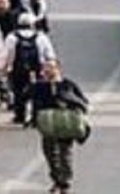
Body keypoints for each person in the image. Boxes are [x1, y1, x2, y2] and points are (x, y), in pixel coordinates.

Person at [31, 61, 90, 194]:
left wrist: (69, 102)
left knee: (65, 154)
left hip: (65, 125)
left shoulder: (68, 84)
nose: (48, 70)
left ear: (58, 69)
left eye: (51, 68)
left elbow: (82, 101)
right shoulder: (40, 86)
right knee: (50, 154)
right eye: (46, 68)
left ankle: (65, 182)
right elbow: (29, 98)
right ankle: (56, 179)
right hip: (48, 126)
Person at [0, 13, 57, 125]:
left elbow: (5, 54)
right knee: (38, 93)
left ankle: (20, 115)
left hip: (17, 70)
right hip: (37, 70)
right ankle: (36, 116)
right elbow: (49, 54)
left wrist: (3, 68)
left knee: (18, 92)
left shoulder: (12, 37)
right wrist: (51, 67)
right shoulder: (41, 37)